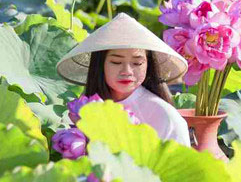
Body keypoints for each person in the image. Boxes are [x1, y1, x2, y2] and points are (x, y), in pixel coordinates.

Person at [56, 13, 190, 145]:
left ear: (148, 65)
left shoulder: (164, 115)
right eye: (116, 62)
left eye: (137, 63)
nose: (127, 71)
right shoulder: (84, 106)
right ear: (100, 65)